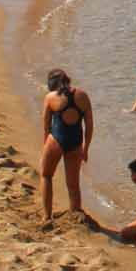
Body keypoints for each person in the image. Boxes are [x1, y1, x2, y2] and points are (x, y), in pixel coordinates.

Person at [38, 68, 93, 223]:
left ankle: (47, 216)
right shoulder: (83, 96)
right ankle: (75, 211)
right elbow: (89, 126)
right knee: (73, 183)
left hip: (56, 139)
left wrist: (45, 146)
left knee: (46, 175)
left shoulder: (50, 97)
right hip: (75, 142)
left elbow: (46, 126)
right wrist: (86, 148)